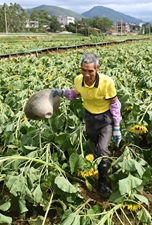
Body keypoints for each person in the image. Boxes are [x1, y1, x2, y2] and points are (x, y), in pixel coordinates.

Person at [53, 52, 122, 198]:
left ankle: (102, 183)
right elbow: (76, 93)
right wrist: (62, 92)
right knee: (93, 145)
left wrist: (116, 126)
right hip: (89, 118)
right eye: (83, 70)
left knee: (102, 149)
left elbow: (114, 103)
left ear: (97, 68)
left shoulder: (106, 82)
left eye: (90, 70)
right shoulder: (79, 80)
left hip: (105, 119)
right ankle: (99, 167)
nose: (86, 74)